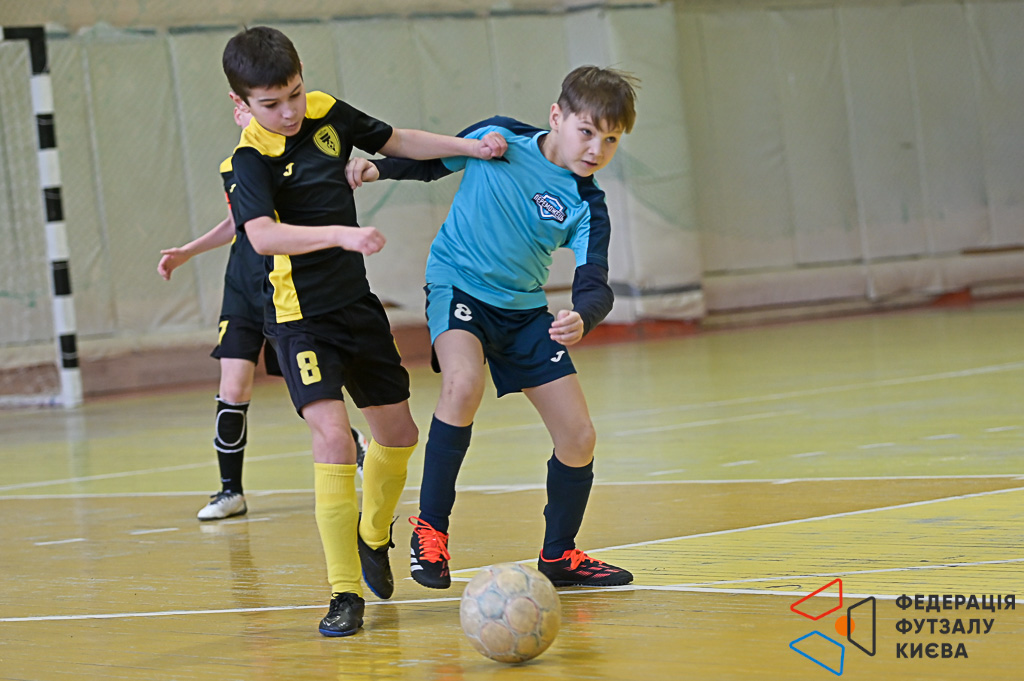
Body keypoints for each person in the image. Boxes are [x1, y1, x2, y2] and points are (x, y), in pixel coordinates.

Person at [220, 26, 507, 637]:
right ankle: (343, 591)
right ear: (241, 104)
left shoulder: (326, 112)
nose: (290, 111)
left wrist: (471, 147)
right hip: (299, 318)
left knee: (399, 435)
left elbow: (397, 139)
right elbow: (262, 236)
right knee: (333, 439)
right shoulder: (249, 159)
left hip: (356, 307)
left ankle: (372, 535)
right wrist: (341, 235)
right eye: (271, 104)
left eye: (295, 93)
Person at [351, 65, 639, 590]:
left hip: (523, 311)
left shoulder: (587, 204)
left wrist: (583, 316)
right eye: (587, 131)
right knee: (463, 384)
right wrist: (377, 168)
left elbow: (595, 283)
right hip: (458, 286)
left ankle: (559, 556)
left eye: (611, 139)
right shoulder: (500, 138)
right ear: (557, 116)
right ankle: (430, 532)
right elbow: (431, 162)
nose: (596, 149)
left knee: (579, 437)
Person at [158, 105, 368, 522]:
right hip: (242, 287)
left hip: (284, 286)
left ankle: (350, 439)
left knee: (303, 386)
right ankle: (230, 490)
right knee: (233, 386)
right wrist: (188, 251)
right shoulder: (236, 165)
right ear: (239, 108)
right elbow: (235, 223)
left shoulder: (289, 161)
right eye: (252, 105)